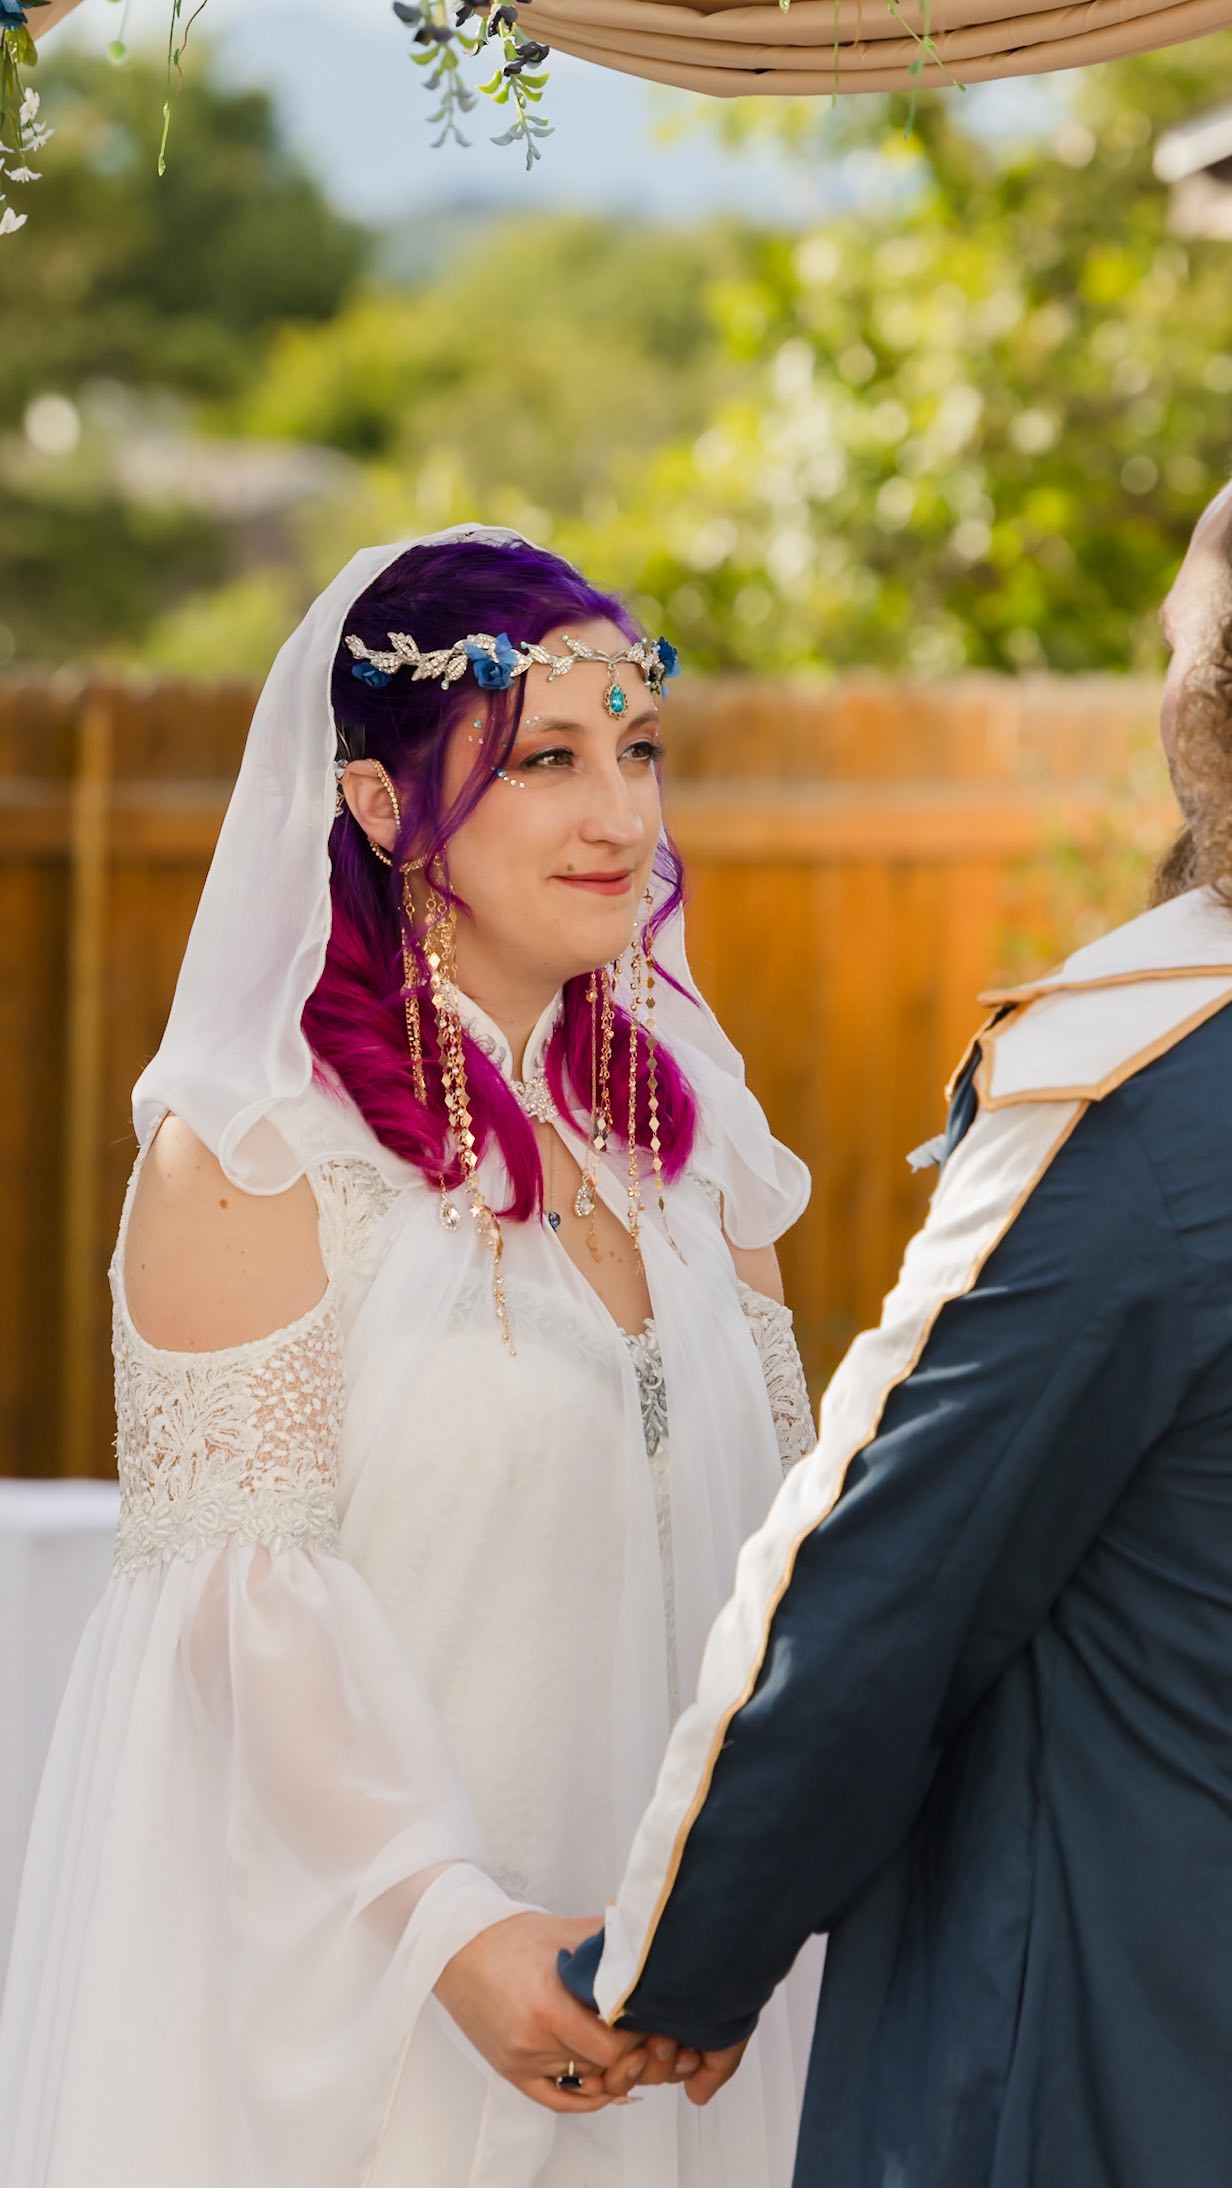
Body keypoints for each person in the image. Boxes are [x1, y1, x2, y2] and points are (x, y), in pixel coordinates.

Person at [0, 527, 822, 2188]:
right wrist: (461, 1936)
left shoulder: (700, 1150)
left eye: (638, 752)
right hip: (390, 2007)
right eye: (544, 761)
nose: (619, 816)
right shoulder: (255, 1150)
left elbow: (787, 1550)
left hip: (699, 2007)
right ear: (379, 808)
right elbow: (239, 1613)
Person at [562, 477, 1232, 2187]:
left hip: (1122, 2006)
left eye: (1182, 631)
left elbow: (889, 1556)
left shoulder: (1142, 1082)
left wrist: (672, 1965)